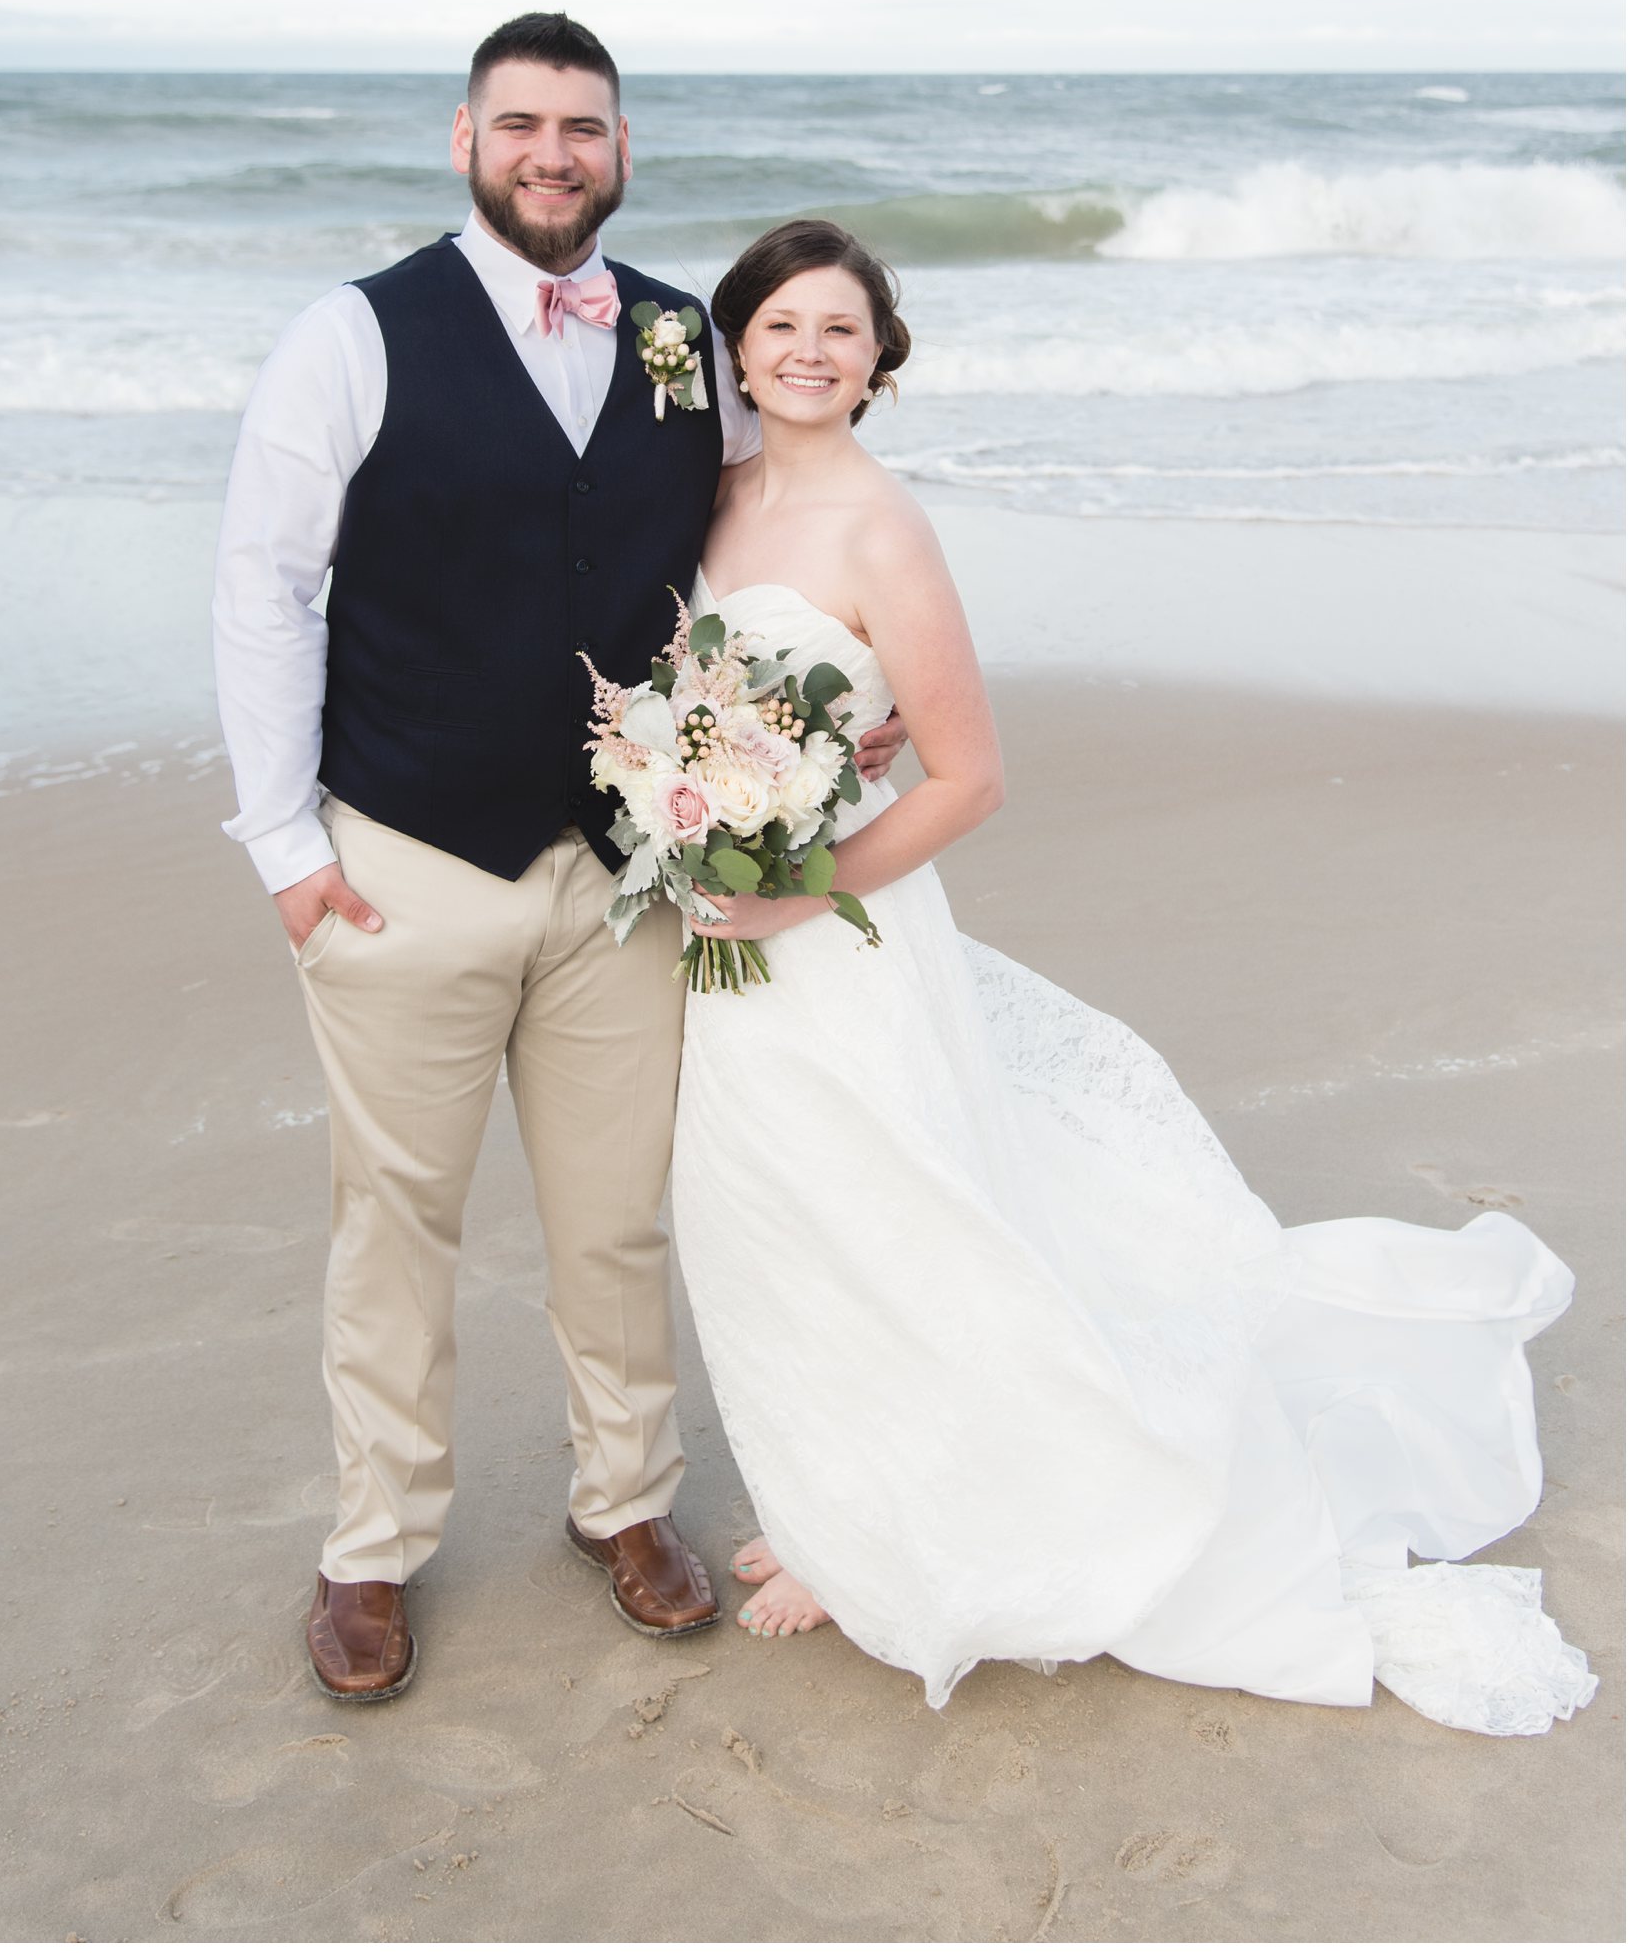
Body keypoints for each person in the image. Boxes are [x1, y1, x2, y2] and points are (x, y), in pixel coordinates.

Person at [669, 215, 1596, 1737]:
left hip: (830, 931)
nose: (808, 351)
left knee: (902, 1219)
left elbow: (969, 775)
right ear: (740, 343)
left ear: (880, 358)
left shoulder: (884, 529)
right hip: (720, 938)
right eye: (780, 325)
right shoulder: (712, 501)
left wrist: (805, 885)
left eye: (840, 328)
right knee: (778, 1217)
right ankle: (838, 1504)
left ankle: (893, 1539)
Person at [212, 15, 909, 1700]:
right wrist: (290, 849)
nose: (551, 151)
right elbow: (264, 583)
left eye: (582, 126)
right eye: (519, 122)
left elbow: (768, 521)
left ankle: (628, 1501)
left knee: (616, 1219)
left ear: (619, 146)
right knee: (397, 1215)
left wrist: (839, 700)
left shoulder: (686, 334)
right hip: (404, 855)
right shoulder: (352, 335)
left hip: (626, 875)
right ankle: (372, 1546)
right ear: (465, 138)